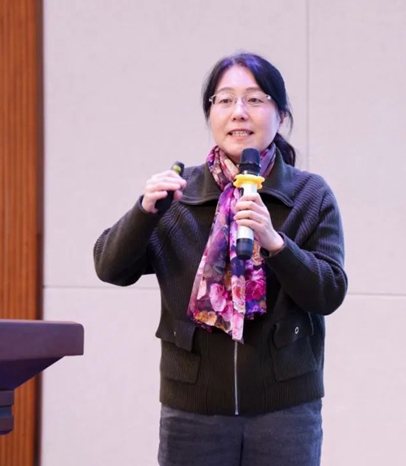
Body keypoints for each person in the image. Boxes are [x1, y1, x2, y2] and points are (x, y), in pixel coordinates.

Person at [93, 52, 347, 466]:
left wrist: (276, 244)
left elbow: (329, 292)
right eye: (225, 100)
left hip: (284, 411)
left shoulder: (309, 195)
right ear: (210, 114)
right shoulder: (179, 194)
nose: (239, 112)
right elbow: (109, 267)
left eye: (255, 99)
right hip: (193, 411)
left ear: (281, 115)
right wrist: (143, 212)